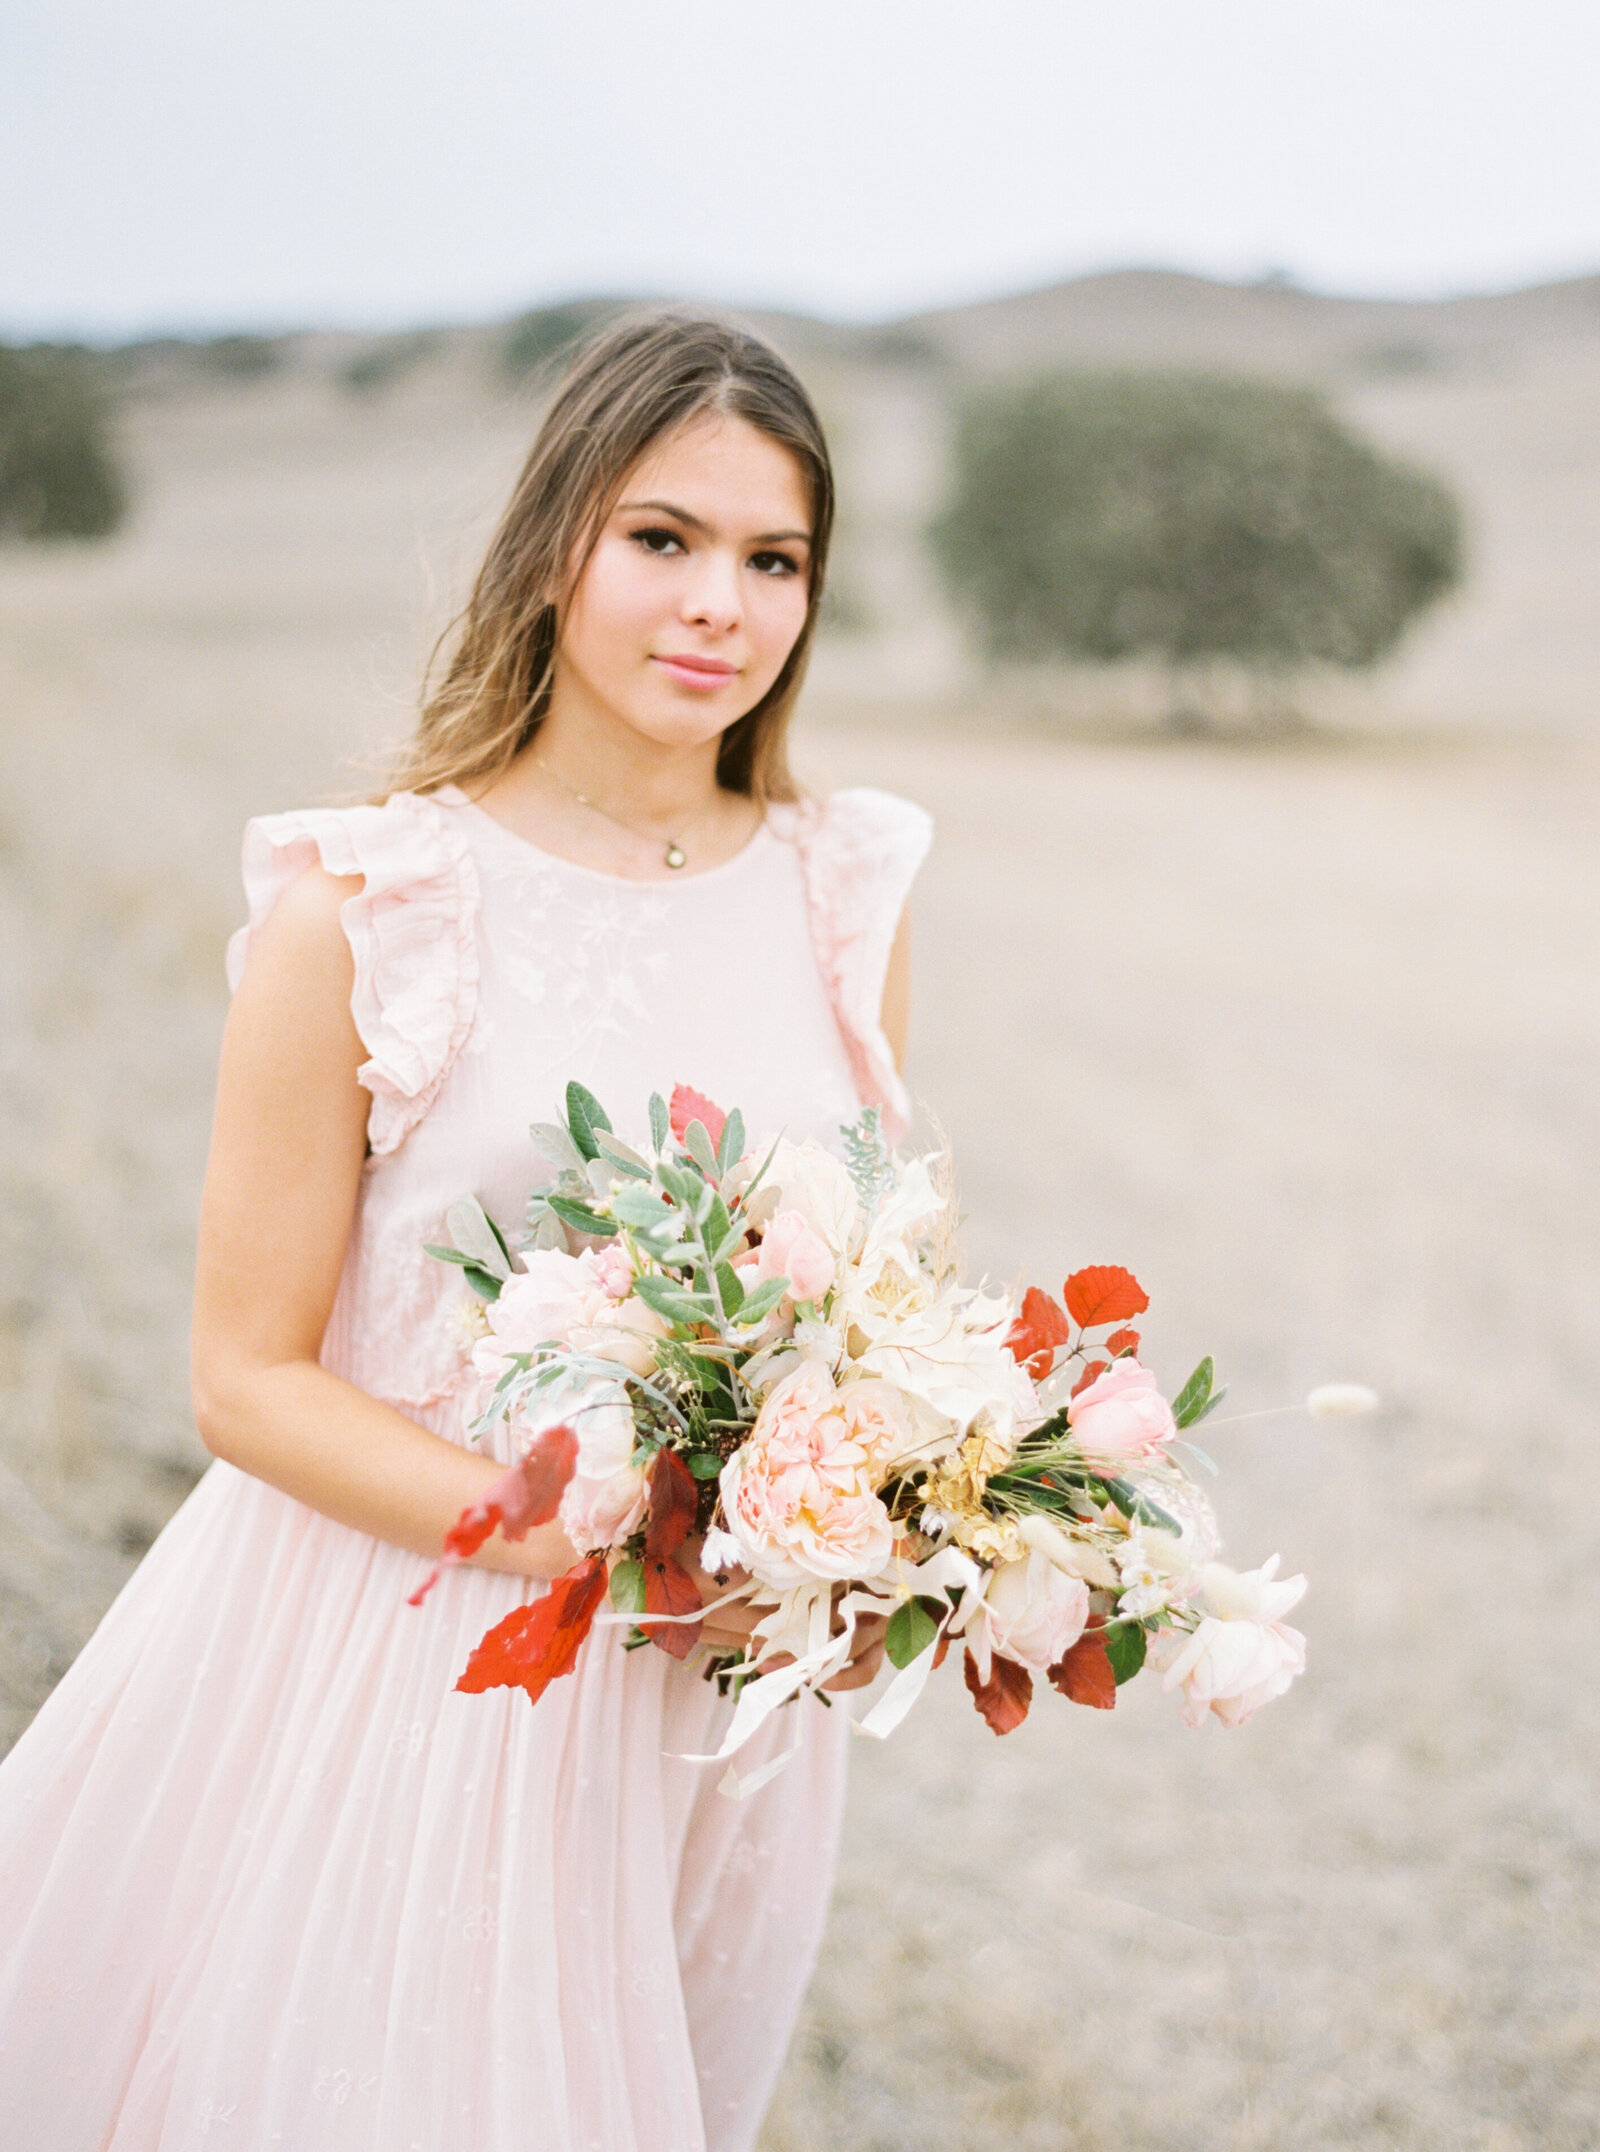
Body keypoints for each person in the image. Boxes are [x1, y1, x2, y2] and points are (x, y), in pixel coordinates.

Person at [0, 312, 932, 2152]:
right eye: (662, 539)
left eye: (773, 561)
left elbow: (876, 1282)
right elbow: (245, 1379)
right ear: (557, 540)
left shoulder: (848, 888)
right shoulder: (373, 907)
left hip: (717, 1704)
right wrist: (596, 1548)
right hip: (413, 1652)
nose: (718, 608)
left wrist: (915, 1507)